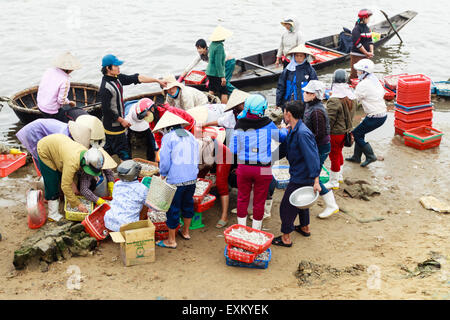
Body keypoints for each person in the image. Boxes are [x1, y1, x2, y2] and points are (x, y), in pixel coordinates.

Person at [230, 94, 288, 230]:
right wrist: (284, 129)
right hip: (263, 168)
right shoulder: (268, 124)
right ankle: (256, 230)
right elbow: (281, 138)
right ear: (262, 109)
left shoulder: (239, 125)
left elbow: (233, 149)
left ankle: (242, 230)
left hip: (244, 167)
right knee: (259, 200)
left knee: (242, 198)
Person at [99, 54, 167, 161]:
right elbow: (106, 110)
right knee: (124, 154)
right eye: (116, 66)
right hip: (114, 128)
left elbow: (137, 77)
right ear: (108, 68)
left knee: (109, 149)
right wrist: (122, 121)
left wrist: (156, 80)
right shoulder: (105, 88)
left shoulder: (118, 78)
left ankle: (100, 159)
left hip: (118, 127)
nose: (118, 68)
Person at [272, 102, 321, 247]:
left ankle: (286, 237)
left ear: (289, 114)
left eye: (284, 112)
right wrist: (267, 160)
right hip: (300, 173)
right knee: (301, 202)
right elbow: (284, 149)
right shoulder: (294, 130)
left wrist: (316, 180)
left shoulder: (302, 133)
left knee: (287, 206)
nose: (283, 115)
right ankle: (305, 227)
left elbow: (313, 157)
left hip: (302, 175)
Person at [153, 112, 199, 249]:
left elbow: (165, 161)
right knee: (188, 204)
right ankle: (185, 232)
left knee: (172, 209)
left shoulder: (168, 138)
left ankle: (171, 240)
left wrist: (162, 173)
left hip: (176, 181)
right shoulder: (190, 136)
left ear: (167, 128)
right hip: (192, 178)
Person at [37, 134, 105, 221]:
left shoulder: (86, 153)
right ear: (85, 163)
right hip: (45, 149)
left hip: (60, 148)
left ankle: (60, 199)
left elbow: (71, 174)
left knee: (63, 176)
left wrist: (74, 187)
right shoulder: (72, 162)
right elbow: (65, 185)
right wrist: (78, 204)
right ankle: (52, 214)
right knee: (52, 181)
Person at [16, 115, 111, 172]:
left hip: (43, 126)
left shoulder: (75, 133)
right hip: (34, 132)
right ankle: (44, 176)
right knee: (43, 158)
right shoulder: (65, 136)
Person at [302, 80, 339, 219]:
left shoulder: (317, 111)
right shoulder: (309, 106)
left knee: (314, 175)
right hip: (314, 146)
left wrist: (308, 147)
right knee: (311, 173)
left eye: (308, 92)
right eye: (305, 91)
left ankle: (331, 205)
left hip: (320, 147)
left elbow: (320, 133)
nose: (305, 94)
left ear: (315, 95)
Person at [346, 59, 387, 167]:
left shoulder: (363, 84)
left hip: (375, 116)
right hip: (382, 113)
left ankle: (370, 156)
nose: (357, 72)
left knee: (355, 134)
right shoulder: (374, 79)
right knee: (360, 132)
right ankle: (356, 157)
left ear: (364, 72)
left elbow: (354, 100)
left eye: (359, 70)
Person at [324, 69, 357, 191]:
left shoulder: (334, 100)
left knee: (334, 156)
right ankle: (339, 176)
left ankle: (333, 182)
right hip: (346, 132)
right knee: (339, 154)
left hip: (335, 134)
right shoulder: (352, 97)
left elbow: (329, 121)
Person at [104, 160, 149, 232]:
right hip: (127, 226)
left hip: (109, 222)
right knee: (146, 204)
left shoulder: (117, 184)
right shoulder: (142, 189)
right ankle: (138, 225)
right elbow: (153, 206)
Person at [37, 52, 81, 122]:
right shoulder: (65, 81)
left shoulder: (49, 70)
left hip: (40, 104)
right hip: (50, 110)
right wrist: (70, 102)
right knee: (70, 120)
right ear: (70, 69)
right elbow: (61, 100)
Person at [276, 44, 318, 110]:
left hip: (303, 102)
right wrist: (278, 102)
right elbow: (281, 86)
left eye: (301, 56)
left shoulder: (309, 69)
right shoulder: (288, 69)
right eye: (296, 55)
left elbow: (315, 85)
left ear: (305, 57)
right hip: (288, 100)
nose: (298, 57)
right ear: (293, 56)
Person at [206, 26, 233, 104]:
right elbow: (218, 63)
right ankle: (224, 109)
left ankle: (207, 105)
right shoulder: (219, 46)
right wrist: (222, 77)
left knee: (212, 90)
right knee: (224, 91)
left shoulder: (212, 44)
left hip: (209, 72)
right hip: (216, 74)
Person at [350, 9, 374, 81]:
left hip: (366, 56)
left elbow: (370, 41)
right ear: (364, 18)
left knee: (365, 75)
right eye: (368, 18)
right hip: (357, 55)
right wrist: (366, 53)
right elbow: (357, 44)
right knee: (355, 75)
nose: (369, 19)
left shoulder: (367, 29)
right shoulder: (356, 29)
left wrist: (371, 52)